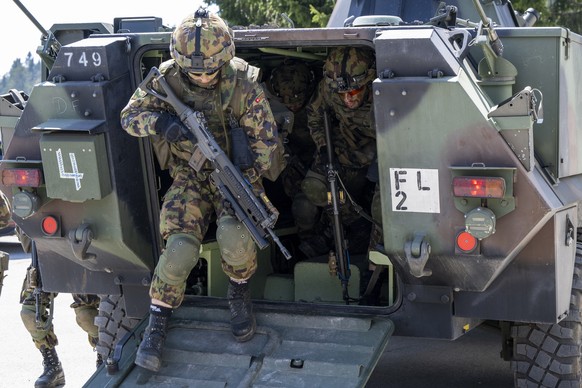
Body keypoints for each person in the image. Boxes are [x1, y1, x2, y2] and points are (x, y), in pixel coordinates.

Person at [120, 9, 279, 372]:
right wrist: (162, 122)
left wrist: (243, 171)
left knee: (236, 237)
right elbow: (129, 117)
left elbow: (266, 146)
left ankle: (239, 292)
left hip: (235, 173)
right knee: (177, 249)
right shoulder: (166, 80)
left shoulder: (243, 84)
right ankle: (157, 321)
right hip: (189, 175)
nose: (204, 76)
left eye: (211, 69)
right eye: (195, 71)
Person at [301, 46, 384, 299]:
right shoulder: (329, 87)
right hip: (350, 146)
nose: (348, 98)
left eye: (355, 91)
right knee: (316, 186)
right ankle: (354, 225)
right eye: (342, 93)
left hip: (389, 148)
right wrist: (325, 149)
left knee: (382, 209)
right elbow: (315, 116)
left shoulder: (385, 90)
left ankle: (375, 271)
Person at [266, 59, 329, 258]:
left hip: (328, 165)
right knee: (303, 207)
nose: (290, 102)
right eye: (283, 97)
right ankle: (307, 248)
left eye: (295, 96)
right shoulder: (272, 107)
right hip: (294, 166)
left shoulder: (322, 104)